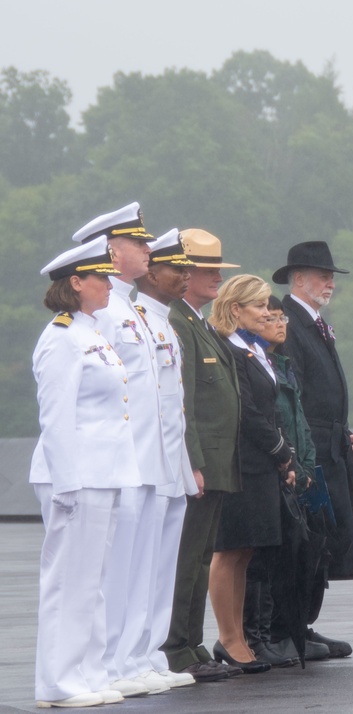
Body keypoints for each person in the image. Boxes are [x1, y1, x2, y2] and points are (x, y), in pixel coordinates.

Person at [30, 237, 137, 708]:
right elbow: (56, 417)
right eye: (100, 277)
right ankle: (57, 682)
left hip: (103, 472)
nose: (109, 284)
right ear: (76, 283)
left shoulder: (91, 332)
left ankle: (88, 673)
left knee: (91, 581)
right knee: (68, 581)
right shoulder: (61, 337)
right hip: (74, 475)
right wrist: (67, 484)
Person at [73, 204, 171, 698]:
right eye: (140, 243)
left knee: (143, 567)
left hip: (148, 459)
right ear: (113, 250)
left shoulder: (132, 306)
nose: (149, 250)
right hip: (119, 459)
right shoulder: (106, 310)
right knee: (116, 569)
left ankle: (135, 656)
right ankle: (111, 662)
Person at [272, 241, 353, 658]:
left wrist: (345, 432)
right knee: (304, 537)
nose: (329, 282)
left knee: (323, 539)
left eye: (330, 275)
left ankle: (303, 625)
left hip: (330, 445)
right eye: (321, 274)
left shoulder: (316, 325)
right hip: (309, 452)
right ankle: (285, 627)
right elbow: (295, 396)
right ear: (298, 278)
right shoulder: (289, 324)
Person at [163, 229, 242, 682]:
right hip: (200, 463)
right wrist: (192, 460)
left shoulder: (197, 320)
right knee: (187, 557)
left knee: (200, 554)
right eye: (207, 270)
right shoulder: (178, 321)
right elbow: (185, 402)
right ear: (184, 274)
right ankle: (176, 647)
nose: (216, 278)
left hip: (216, 461)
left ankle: (190, 644)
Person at [209, 275, 295, 675]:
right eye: (258, 306)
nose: (266, 311)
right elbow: (246, 413)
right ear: (234, 310)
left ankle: (240, 636)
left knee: (246, 552)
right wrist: (281, 451)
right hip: (240, 463)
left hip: (260, 464)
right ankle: (229, 638)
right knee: (230, 551)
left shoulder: (252, 350)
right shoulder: (228, 350)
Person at [132, 229, 199, 688]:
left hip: (167, 464)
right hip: (139, 464)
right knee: (134, 570)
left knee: (160, 570)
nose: (185, 277)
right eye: (177, 268)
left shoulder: (162, 321)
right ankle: (125, 661)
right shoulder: (131, 317)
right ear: (151, 271)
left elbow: (173, 406)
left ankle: (148, 657)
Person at [244, 296, 327, 667]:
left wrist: (306, 464)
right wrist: (287, 458)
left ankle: (295, 627)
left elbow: (300, 422)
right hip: (273, 467)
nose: (279, 323)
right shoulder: (257, 364)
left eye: (282, 318)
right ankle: (263, 634)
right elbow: (269, 420)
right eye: (271, 317)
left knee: (306, 553)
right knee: (265, 559)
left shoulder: (282, 364)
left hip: (297, 466)